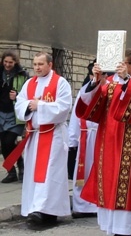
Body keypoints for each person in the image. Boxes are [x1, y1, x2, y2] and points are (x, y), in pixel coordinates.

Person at [75, 51, 131, 236]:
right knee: (108, 183)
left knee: (126, 185)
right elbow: (89, 105)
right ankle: (110, 228)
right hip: (107, 144)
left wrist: (127, 80)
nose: (118, 68)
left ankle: (124, 229)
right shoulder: (109, 86)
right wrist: (96, 81)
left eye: (123, 64)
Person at [7, 52, 72, 226]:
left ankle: (47, 211)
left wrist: (40, 105)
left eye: (40, 64)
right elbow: (20, 104)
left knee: (50, 175)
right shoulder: (30, 83)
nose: (37, 67)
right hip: (34, 137)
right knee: (33, 174)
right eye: (35, 64)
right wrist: (29, 105)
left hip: (53, 137)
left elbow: (64, 107)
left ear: (50, 65)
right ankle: (34, 208)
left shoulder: (60, 83)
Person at [68, 72, 99, 218]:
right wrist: (72, 139)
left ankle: (96, 205)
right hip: (85, 136)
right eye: (93, 74)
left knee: (98, 171)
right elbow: (76, 114)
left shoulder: (108, 89)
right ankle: (81, 206)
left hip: (101, 136)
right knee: (83, 172)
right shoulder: (85, 90)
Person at [0, 50, 28, 183]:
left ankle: (21, 168)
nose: (7, 64)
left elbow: (28, 93)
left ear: (15, 62)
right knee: (4, 145)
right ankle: (11, 172)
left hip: (15, 114)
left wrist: (17, 95)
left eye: (10, 62)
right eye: (5, 61)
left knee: (9, 141)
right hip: (1, 113)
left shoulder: (22, 75)